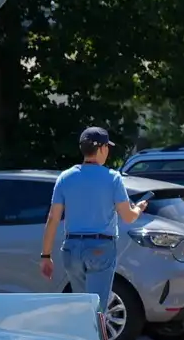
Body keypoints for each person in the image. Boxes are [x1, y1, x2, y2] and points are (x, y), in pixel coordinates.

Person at [39, 126, 148, 297]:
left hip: (71, 249)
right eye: (107, 148)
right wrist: (138, 209)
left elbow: (53, 218)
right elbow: (128, 217)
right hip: (100, 248)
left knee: (83, 305)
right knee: (97, 307)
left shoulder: (65, 178)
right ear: (102, 148)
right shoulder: (113, 178)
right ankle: (97, 324)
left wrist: (45, 255)